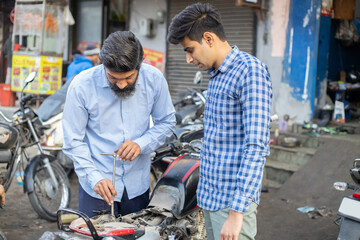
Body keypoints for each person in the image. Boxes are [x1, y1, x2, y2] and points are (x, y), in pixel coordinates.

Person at [168, 3, 272, 240]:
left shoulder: (249, 71)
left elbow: (256, 147)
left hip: (231, 204)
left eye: (190, 50)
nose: (188, 59)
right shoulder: (216, 75)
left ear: (209, 38)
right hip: (210, 198)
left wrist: (236, 214)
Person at [62, 31, 176, 218]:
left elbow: (167, 121)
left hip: (137, 186)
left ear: (139, 66)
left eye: (129, 78)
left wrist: (142, 143)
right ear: (102, 64)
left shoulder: (154, 80)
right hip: (97, 187)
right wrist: (94, 177)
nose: (121, 85)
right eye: (113, 78)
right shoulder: (81, 86)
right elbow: (73, 140)